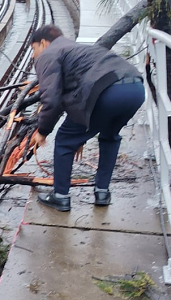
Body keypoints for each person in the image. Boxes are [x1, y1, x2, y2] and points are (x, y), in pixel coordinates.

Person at [29, 25, 145, 212]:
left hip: (108, 92)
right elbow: (75, 92)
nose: (34, 55)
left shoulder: (49, 54)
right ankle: (102, 192)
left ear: (43, 43)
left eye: (33, 49)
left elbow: (51, 99)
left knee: (65, 141)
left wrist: (43, 131)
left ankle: (60, 196)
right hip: (136, 89)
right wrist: (82, 132)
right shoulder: (78, 49)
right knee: (110, 137)